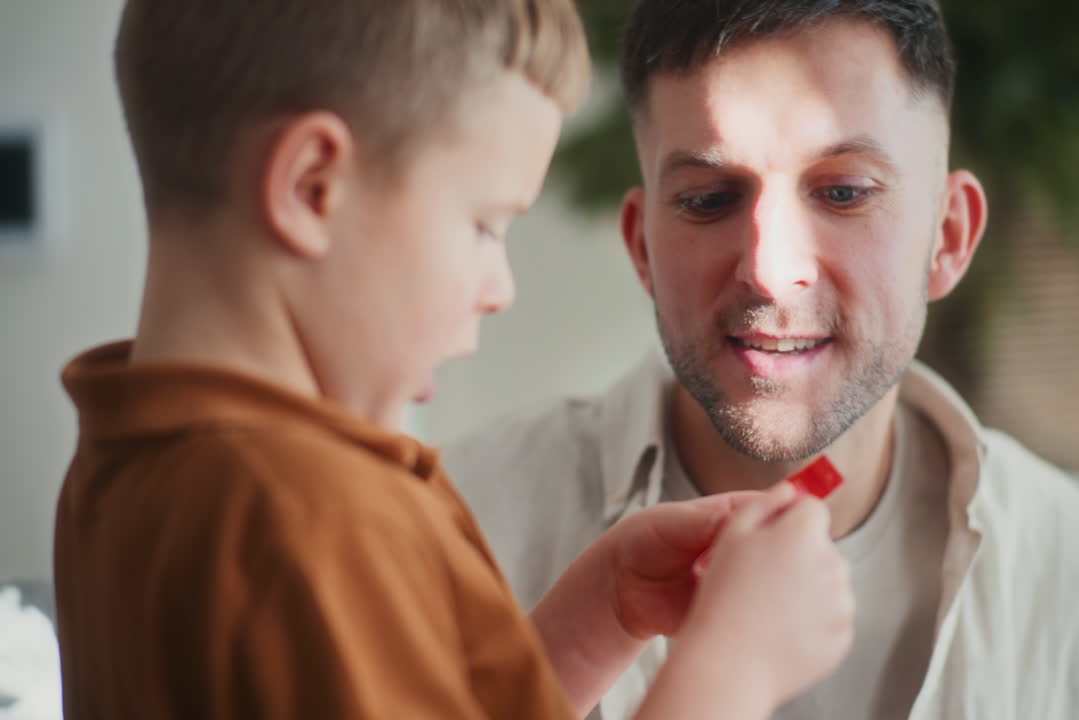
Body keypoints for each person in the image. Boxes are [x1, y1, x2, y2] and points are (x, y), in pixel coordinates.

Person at [52, 1, 855, 718]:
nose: (498, 288)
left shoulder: (128, 465)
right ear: (311, 187)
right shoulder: (317, 514)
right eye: (483, 224)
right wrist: (734, 667)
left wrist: (598, 615)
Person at [445, 1, 1079, 719]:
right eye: (708, 200)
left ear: (950, 238)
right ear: (643, 248)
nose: (770, 271)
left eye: (842, 192)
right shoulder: (458, 536)